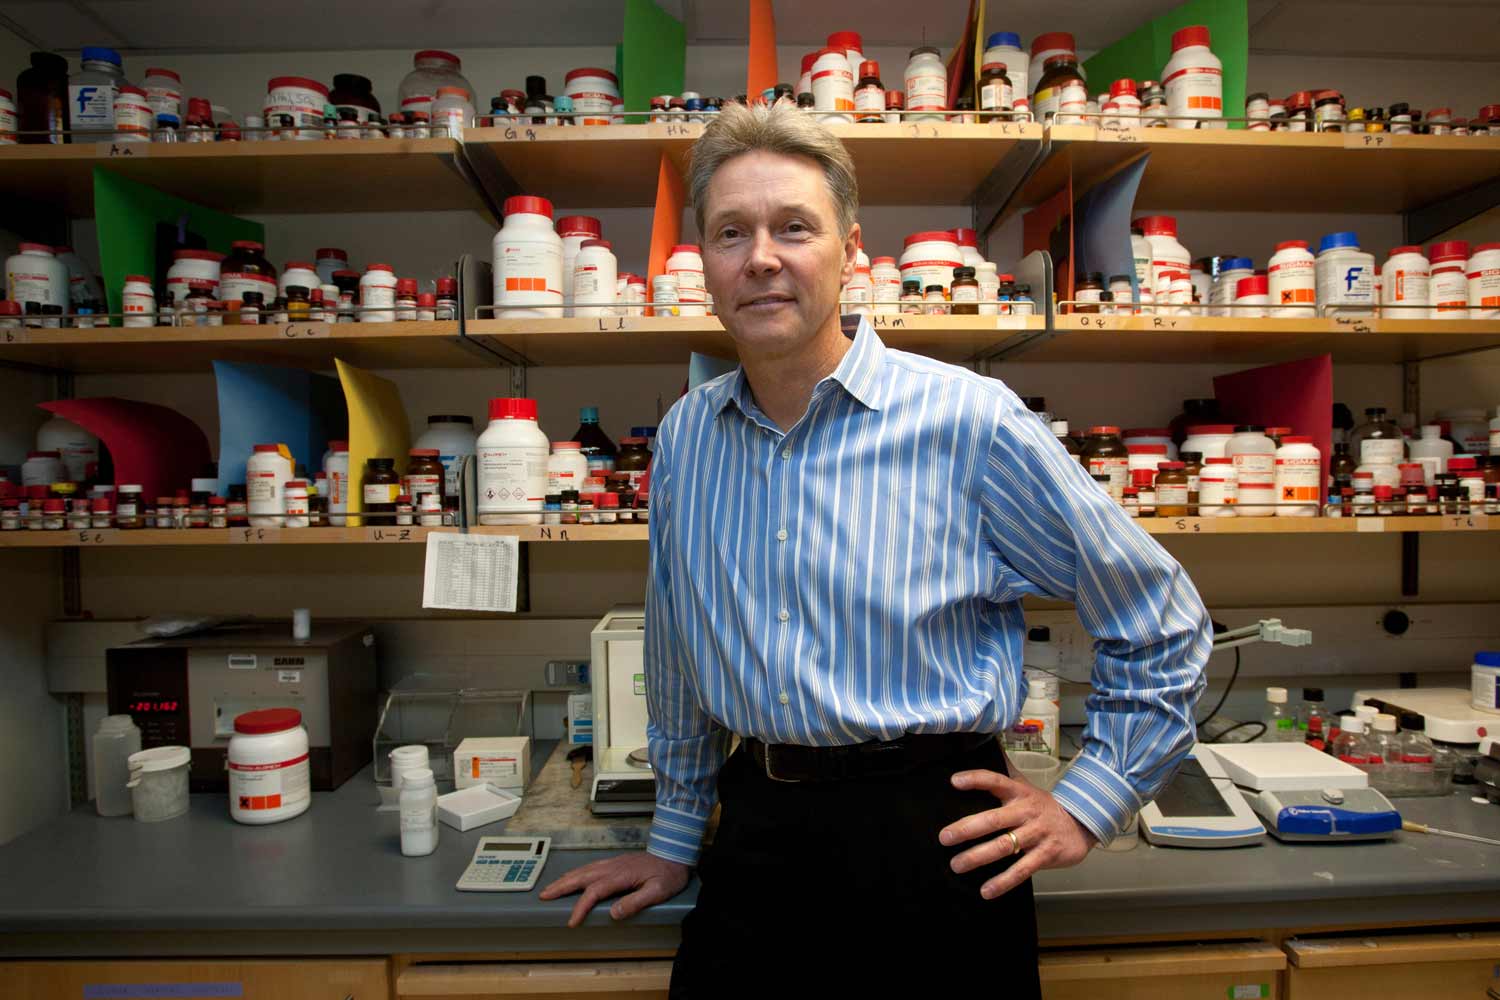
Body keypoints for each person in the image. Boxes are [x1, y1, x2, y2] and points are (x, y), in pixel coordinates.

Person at [540, 101, 1212, 997]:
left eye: (794, 227)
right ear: (703, 261)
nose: (762, 257)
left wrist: (1089, 802)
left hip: (933, 837)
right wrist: (672, 840)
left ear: (850, 251)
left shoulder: (967, 421)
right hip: (758, 827)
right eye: (731, 232)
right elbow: (676, 652)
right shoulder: (688, 436)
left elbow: (1157, 617)